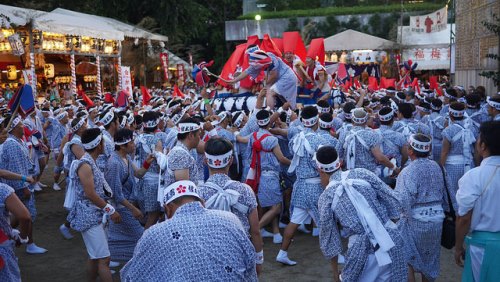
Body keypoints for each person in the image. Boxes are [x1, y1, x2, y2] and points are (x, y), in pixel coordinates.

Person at [120, 180, 258, 281]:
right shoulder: (230, 219)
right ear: (202, 202)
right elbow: (250, 260)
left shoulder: (154, 233)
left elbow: (132, 276)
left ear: (168, 208)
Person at [317, 145, 406, 281]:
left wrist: (335, 272)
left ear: (319, 169)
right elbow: (392, 198)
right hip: (390, 239)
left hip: (360, 251)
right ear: (339, 162)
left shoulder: (326, 196)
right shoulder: (362, 173)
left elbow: (328, 237)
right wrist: (387, 223)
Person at [197, 137, 263, 274]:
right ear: (231, 160)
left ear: (205, 161)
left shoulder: (198, 194)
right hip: (240, 253)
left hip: (209, 256)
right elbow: (255, 231)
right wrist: (259, 260)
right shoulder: (245, 190)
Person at [395, 133, 452, 282]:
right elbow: (448, 195)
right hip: (437, 221)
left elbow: (402, 201)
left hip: (414, 221)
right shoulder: (438, 167)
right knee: (430, 262)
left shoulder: (408, 171)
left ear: (411, 151)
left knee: (406, 258)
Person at [67, 128, 122, 282]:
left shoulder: (89, 161)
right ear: (99, 145)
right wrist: (110, 210)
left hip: (93, 214)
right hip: (89, 215)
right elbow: (90, 194)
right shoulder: (85, 164)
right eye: (103, 141)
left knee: (95, 257)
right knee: (104, 259)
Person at [277, 106, 327, 265]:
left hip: (300, 186)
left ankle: (282, 253)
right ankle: (336, 255)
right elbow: (320, 167)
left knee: (294, 221)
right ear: (317, 119)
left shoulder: (295, 138)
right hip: (314, 187)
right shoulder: (318, 140)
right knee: (327, 223)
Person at [455, 121, 500, 282]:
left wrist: (458, 247)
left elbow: (464, 217)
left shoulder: (474, 176)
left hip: (482, 246)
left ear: (483, 146)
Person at [0, 115, 47, 254]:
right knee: (26, 215)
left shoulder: (16, 141)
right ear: (14, 128)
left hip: (19, 183)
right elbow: (15, 168)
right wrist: (24, 185)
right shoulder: (12, 144)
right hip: (18, 186)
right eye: (20, 124)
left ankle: (13, 236)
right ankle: (28, 242)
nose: (23, 126)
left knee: (20, 215)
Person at [105, 129, 153, 262]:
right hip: (122, 206)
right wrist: (133, 209)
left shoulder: (126, 157)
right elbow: (116, 194)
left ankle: (112, 259)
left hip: (126, 204)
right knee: (140, 236)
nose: (134, 145)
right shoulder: (114, 163)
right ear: (122, 146)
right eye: (131, 142)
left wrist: (148, 162)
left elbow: (138, 174)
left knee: (123, 236)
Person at [246, 109, 291, 244]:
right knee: (276, 206)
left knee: (266, 204)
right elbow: (281, 158)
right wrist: (294, 162)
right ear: (268, 122)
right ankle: (255, 230)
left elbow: (249, 156)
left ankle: (275, 232)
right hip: (270, 175)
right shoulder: (271, 139)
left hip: (258, 174)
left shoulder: (253, 136)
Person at [224, 45, 298, 110]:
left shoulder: (269, 56)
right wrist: (234, 80)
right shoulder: (257, 61)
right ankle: (292, 114)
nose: (249, 57)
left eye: (249, 55)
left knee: (270, 92)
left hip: (287, 77)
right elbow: (247, 71)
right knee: (285, 100)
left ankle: (269, 113)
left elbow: (274, 75)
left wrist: (265, 84)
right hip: (281, 79)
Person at [134, 111, 165, 229]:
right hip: (153, 183)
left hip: (139, 179)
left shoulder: (137, 139)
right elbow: (160, 163)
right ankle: (145, 241)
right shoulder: (157, 140)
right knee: (153, 216)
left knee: (146, 215)